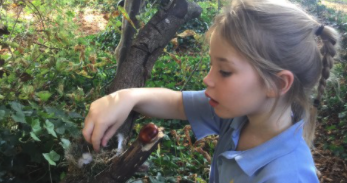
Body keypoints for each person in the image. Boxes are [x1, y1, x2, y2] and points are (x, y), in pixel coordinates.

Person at [82, 0, 339, 182]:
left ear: (278, 84)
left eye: (224, 71)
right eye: (211, 66)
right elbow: (175, 103)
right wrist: (125, 96)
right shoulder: (239, 116)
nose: (207, 79)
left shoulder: (286, 176)